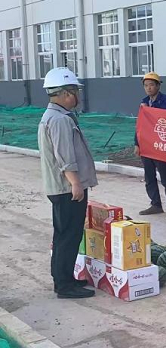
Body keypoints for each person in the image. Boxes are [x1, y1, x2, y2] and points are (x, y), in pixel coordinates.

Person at [39, 67, 97, 299]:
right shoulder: (60, 120)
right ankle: (64, 285)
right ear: (65, 93)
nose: (77, 96)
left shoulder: (52, 116)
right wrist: (75, 183)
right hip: (67, 189)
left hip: (61, 187)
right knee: (69, 236)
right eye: (75, 92)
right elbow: (65, 156)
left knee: (63, 234)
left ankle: (63, 279)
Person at [134, 72, 166, 219]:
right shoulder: (144, 102)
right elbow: (139, 125)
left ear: (158, 86)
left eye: (152, 85)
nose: (149, 88)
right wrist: (137, 143)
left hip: (160, 145)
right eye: (146, 85)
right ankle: (155, 204)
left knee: (165, 176)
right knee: (149, 176)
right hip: (146, 145)